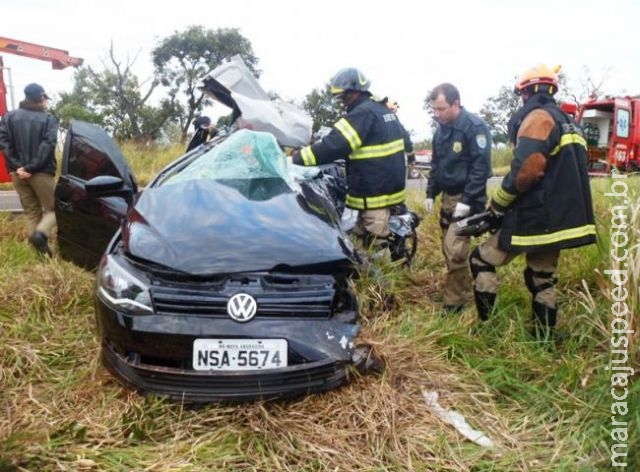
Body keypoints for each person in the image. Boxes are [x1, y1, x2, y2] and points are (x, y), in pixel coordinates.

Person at [468, 64, 596, 339]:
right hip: (561, 220)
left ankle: (486, 328)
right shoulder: (569, 122)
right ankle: (543, 341)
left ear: (526, 92)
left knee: (480, 259)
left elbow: (527, 171)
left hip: (535, 216)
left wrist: (497, 207)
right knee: (542, 278)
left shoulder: (538, 118)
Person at [292, 67, 406, 247]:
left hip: (375, 196)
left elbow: (334, 145)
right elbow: (405, 143)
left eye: (344, 96)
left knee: (376, 246)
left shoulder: (362, 114)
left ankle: (379, 275)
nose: (342, 101)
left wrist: (297, 158)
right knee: (359, 242)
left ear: (355, 92)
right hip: (385, 192)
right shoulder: (382, 111)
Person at [425, 83, 492, 314]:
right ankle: (463, 291)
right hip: (447, 198)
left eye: (441, 109)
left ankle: (454, 303)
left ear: (456, 103)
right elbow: (436, 165)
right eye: (434, 109)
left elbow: (480, 168)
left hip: (468, 199)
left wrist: (468, 200)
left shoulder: (474, 127)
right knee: (447, 248)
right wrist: (430, 193)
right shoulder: (440, 131)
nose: (437, 114)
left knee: (455, 251)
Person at [0, 83, 58, 256]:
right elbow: (47, 145)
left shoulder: (8, 118)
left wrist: (18, 167)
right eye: (45, 99)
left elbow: (4, 144)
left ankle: (40, 257)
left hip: (17, 174)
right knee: (56, 209)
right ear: (41, 99)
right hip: (40, 172)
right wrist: (30, 167)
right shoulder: (48, 119)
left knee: (32, 212)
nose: (46, 103)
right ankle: (40, 235)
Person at [379, 97, 416, 176]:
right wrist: (411, 158)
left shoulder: (374, 116)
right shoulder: (394, 119)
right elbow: (406, 139)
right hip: (393, 165)